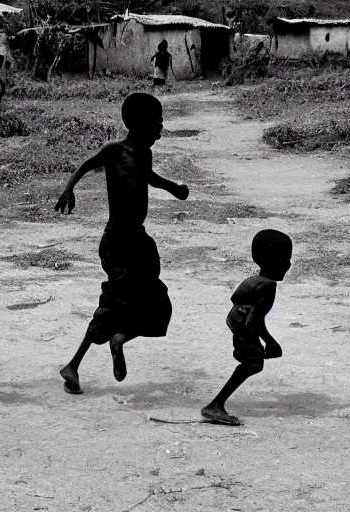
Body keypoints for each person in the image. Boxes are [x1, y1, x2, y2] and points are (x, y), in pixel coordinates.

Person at [55, 92, 189, 394]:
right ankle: (74, 366)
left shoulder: (144, 154)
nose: (161, 128)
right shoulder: (115, 151)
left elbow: (150, 178)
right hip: (116, 243)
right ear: (140, 124)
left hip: (139, 242)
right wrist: (68, 191)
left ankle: (119, 340)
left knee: (153, 299)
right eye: (158, 122)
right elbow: (84, 167)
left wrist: (174, 188)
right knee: (114, 303)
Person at [202, 229, 293, 426]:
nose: (289, 265)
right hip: (243, 327)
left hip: (237, 323)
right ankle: (215, 406)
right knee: (253, 365)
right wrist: (270, 342)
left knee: (252, 361)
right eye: (286, 259)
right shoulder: (268, 287)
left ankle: (217, 403)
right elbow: (253, 321)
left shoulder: (254, 279)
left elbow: (236, 299)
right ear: (274, 261)